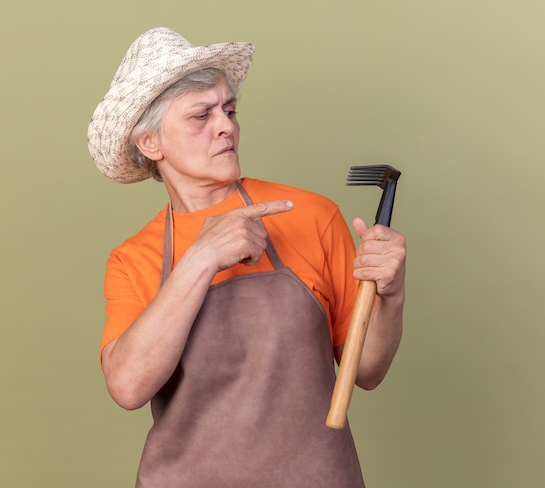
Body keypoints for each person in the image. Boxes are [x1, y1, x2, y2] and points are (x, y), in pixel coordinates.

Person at [87, 27, 406, 488]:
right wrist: (201, 258)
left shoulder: (309, 215)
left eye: (229, 110)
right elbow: (128, 387)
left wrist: (391, 297)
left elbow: (368, 371)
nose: (226, 126)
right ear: (150, 144)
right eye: (201, 116)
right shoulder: (133, 258)